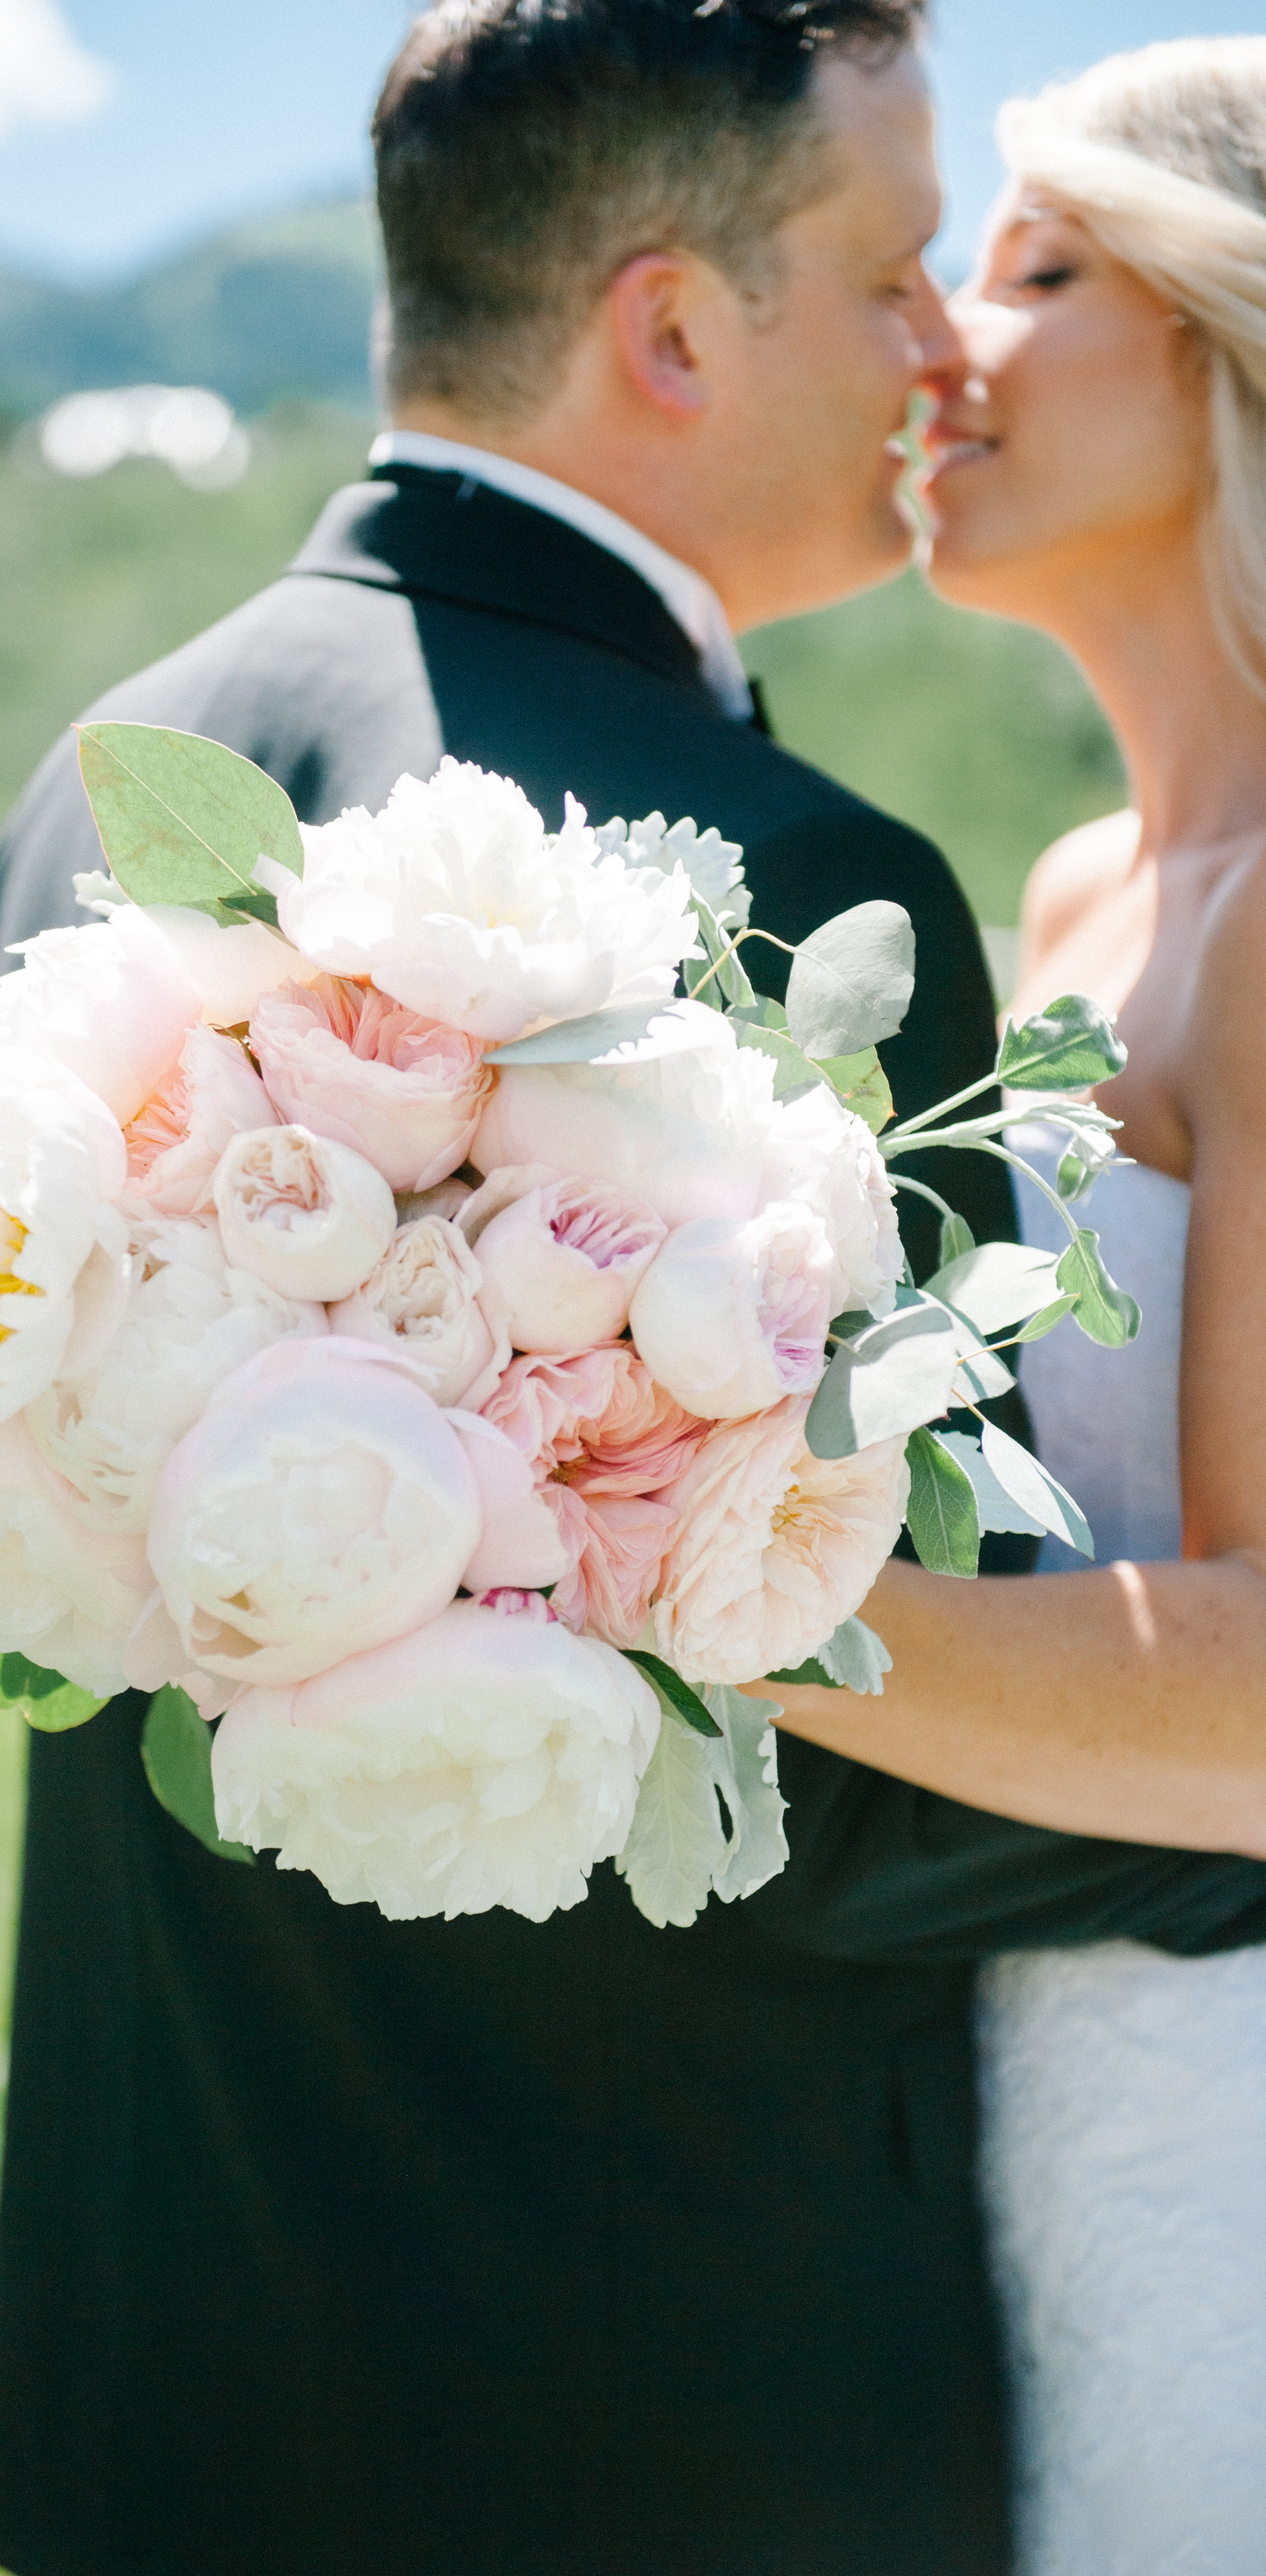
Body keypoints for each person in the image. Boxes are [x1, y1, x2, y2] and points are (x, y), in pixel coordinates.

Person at [0, 10, 1266, 2572]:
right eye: (903, 269)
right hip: (677, 2367)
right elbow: (838, 1762)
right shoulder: (759, 864)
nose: (937, 351)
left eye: (1007, 272)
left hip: (175, 2330)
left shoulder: (107, 769)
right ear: (672, 327)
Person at [761, 35, 1266, 2574]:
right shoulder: (1073, 895)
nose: (941, 342)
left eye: (1038, 269)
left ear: (1234, 331)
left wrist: (673, 1589)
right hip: (1048, 2045)